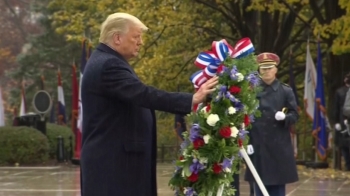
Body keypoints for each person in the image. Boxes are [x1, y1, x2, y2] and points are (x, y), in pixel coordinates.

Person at [80, 13, 218, 196]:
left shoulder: (108, 61)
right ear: (117, 38)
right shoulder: (109, 65)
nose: (141, 42)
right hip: (115, 168)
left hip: (119, 165)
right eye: (136, 37)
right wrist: (191, 99)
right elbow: (143, 94)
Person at [244, 52, 299, 196]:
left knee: (278, 189)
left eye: (269, 68)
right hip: (258, 145)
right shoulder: (252, 91)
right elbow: (245, 118)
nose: (266, 71)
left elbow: (295, 115)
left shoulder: (285, 91)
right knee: (258, 187)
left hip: (278, 146)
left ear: (275, 69)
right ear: (259, 70)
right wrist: (246, 141)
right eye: (263, 68)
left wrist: (285, 117)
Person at [333, 72, 350, 171]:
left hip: (345, 120)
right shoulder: (340, 92)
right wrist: (337, 122)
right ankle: (348, 164)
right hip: (343, 121)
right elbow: (337, 108)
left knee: (345, 144)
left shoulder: (340, 92)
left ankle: (348, 164)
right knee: (344, 144)